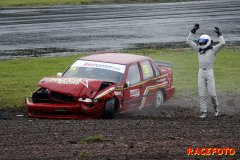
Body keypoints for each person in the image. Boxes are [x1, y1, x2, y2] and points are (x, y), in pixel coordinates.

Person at [187, 23, 225, 118]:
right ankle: (203, 112)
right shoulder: (198, 49)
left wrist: (219, 34)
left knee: (212, 94)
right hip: (201, 72)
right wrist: (193, 31)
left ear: (208, 42)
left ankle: (216, 109)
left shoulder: (213, 49)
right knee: (201, 94)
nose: (202, 43)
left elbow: (223, 43)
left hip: (209, 72)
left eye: (204, 42)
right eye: (201, 41)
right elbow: (189, 41)